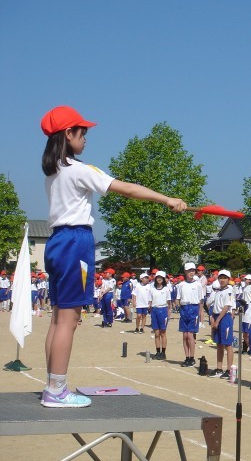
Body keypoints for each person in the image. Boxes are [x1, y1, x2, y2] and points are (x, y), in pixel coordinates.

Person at [40, 105, 186, 408]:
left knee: (57, 319)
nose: (86, 138)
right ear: (68, 134)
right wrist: (167, 199)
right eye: (82, 132)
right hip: (75, 242)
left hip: (57, 241)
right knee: (69, 320)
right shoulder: (80, 170)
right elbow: (128, 189)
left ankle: (53, 385)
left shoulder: (54, 172)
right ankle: (57, 390)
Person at [209, 269, 236, 379]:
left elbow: (226, 307)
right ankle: (219, 368)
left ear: (228, 279)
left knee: (227, 344)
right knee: (219, 343)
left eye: (225, 278)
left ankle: (229, 370)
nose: (222, 280)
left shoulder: (229, 291)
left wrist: (218, 320)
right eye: (221, 278)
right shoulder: (218, 292)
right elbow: (214, 306)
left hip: (224, 318)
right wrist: (212, 317)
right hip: (217, 316)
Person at [177, 262, 204, 367]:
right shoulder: (181, 285)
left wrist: (199, 313)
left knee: (190, 335)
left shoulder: (198, 285)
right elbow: (178, 299)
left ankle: (192, 357)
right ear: (185, 271)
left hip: (194, 308)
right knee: (184, 335)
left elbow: (200, 300)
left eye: (193, 270)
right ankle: (187, 357)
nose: (191, 272)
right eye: (189, 270)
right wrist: (179, 307)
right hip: (184, 308)